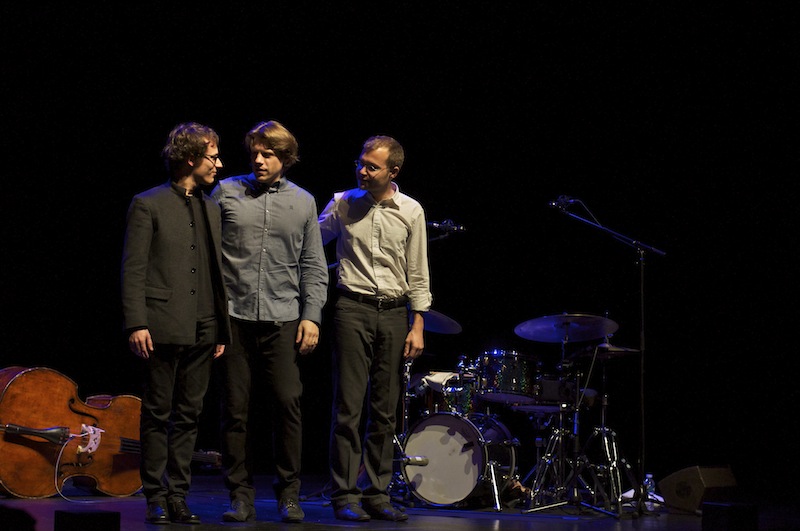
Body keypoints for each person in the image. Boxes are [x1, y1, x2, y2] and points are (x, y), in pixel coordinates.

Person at [212, 120, 328, 523]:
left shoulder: (304, 202)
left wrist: (312, 316)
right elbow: (208, 257)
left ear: (286, 158)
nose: (259, 161)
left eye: (268, 154)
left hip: (283, 318)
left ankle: (289, 494)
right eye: (255, 153)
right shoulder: (225, 192)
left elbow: (313, 265)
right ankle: (239, 494)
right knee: (235, 409)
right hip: (234, 318)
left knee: (288, 404)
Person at [121, 122, 231, 525]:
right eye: (212, 157)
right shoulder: (148, 204)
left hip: (204, 324)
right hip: (162, 324)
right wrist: (136, 322)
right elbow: (133, 269)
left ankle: (179, 494)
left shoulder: (211, 207)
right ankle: (155, 493)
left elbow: (214, 272)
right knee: (158, 412)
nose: (219, 164)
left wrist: (220, 328)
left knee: (189, 414)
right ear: (190, 158)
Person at [319, 135, 432, 522]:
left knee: (384, 410)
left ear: (393, 172)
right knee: (348, 407)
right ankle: (344, 494)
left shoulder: (411, 210)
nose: (362, 171)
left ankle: (377, 493)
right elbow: (309, 242)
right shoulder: (343, 203)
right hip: (352, 308)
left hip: (395, 313)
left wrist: (418, 324)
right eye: (360, 163)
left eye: (372, 166)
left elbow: (418, 273)